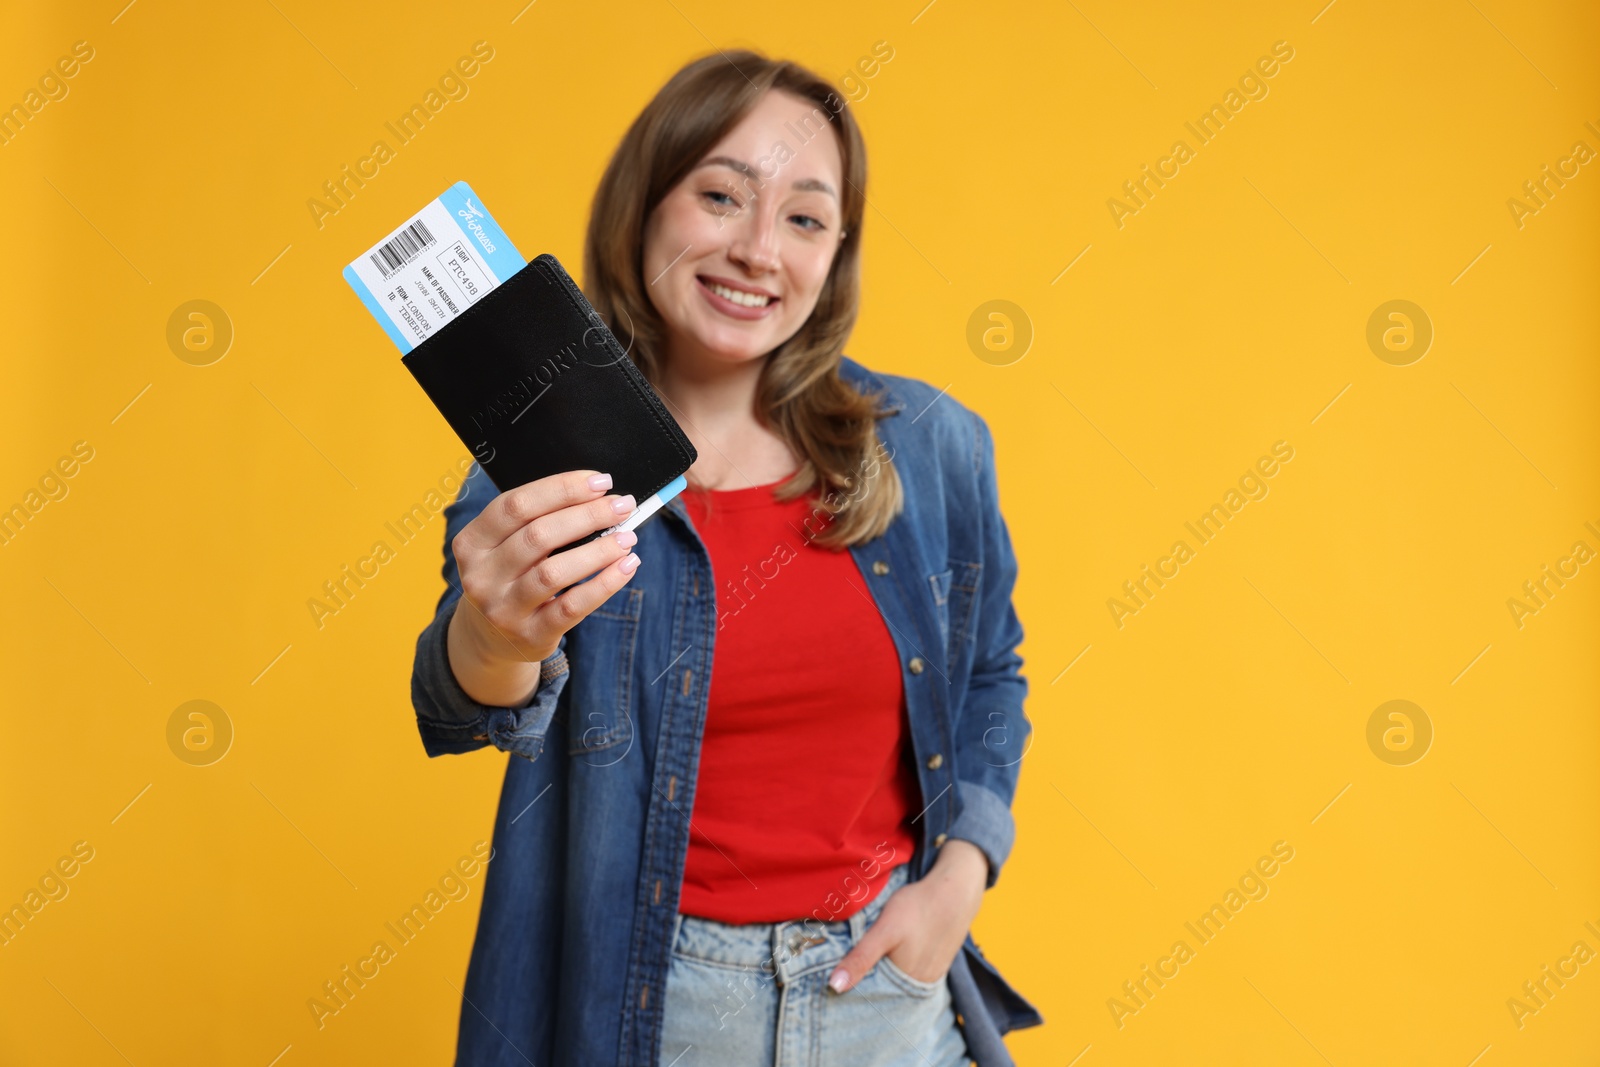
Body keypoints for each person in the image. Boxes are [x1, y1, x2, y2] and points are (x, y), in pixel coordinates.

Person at [410, 48, 1041, 1067]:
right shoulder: (543, 458)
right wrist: (491, 632)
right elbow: (462, 699)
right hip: (651, 1010)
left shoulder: (930, 442)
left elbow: (988, 676)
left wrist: (960, 873)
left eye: (803, 217)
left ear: (835, 253)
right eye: (720, 195)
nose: (757, 248)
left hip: (887, 996)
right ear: (646, 205)